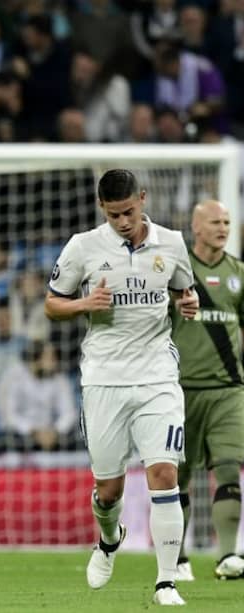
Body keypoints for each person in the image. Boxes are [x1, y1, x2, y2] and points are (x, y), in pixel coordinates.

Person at [45, 169, 199, 606]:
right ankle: (109, 539)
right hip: (104, 379)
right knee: (108, 489)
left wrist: (188, 303)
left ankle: (166, 580)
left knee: (164, 473)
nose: (123, 222)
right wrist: (83, 304)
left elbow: (185, 292)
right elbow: (52, 303)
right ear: (102, 210)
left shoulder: (171, 243)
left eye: (129, 212)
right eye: (114, 215)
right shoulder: (83, 247)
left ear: (143, 199)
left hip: (157, 376)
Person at [170, 200, 244, 581]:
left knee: (229, 467)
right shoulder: (175, 270)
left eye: (228, 221)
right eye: (215, 221)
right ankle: (177, 558)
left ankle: (229, 554)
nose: (223, 227)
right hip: (179, 389)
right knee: (177, 478)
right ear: (196, 227)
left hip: (228, 390)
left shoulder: (239, 274)